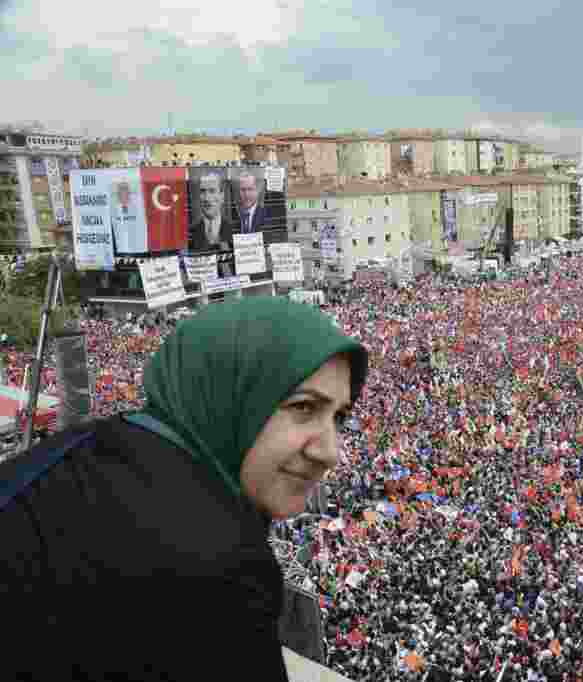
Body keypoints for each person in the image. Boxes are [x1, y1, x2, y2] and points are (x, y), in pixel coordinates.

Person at [0, 297, 369, 681]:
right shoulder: (221, 566)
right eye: (304, 407)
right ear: (227, 392)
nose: (331, 452)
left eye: (339, 416)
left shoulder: (82, 447)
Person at [188, 172, 238, 252]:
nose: (207, 198)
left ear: (222, 196)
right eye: (203, 191)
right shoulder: (190, 232)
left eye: (212, 191)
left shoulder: (235, 229)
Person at [109, 179, 147, 254]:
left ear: (129, 193)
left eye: (125, 191)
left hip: (135, 241)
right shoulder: (114, 207)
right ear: (118, 193)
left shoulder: (135, 206)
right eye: (121, 191)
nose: (123, 194)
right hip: (119, 242)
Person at [236, 170, 268, 234]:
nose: (246, 194)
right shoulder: (234, 216)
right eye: (243, 189)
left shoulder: (267, 217)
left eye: (250, 189)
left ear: (257, 190)